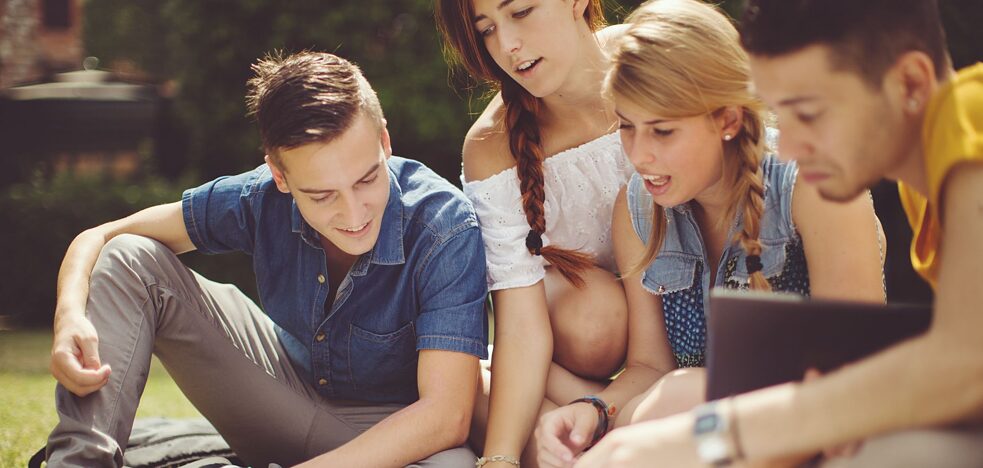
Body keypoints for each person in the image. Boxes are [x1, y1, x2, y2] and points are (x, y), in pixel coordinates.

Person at [572, 0, 983, 466]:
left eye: (808, 113)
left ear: (909, 83)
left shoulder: (970, 125)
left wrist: (706, 435)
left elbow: (964, 365)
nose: (786, 146)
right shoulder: (929, 183)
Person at [45, 51, 488, 468]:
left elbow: (445, 416)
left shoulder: (444, 225)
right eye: (321, 195)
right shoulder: (258, 197)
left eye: (367, 179)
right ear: (280, 175)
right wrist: (69, 318)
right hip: (276, 392)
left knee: (454, 464)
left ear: (384, 142)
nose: (354, 214)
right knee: (130, 257)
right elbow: (100, 237)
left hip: (386, 430)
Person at [533, 1, 886, 466]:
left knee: (683, 395)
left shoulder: (814, 186)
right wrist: (596, 409)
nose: (639, 156)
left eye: (662, 132)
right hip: (697, 433)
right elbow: (650, 367)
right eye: (627, 127)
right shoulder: (638, 209)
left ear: (728, 120)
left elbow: (857, 369)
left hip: (815, 432)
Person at [434, 0, 633, 466]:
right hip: (574, 346)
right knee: (595, 318)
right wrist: (500, 457)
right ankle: (583, 416)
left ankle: (595, 422)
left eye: (521, 12)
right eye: (486, 30)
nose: (507, 45)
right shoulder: (490, 145)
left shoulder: (657, 57)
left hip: (677, 316)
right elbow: (521, 325)